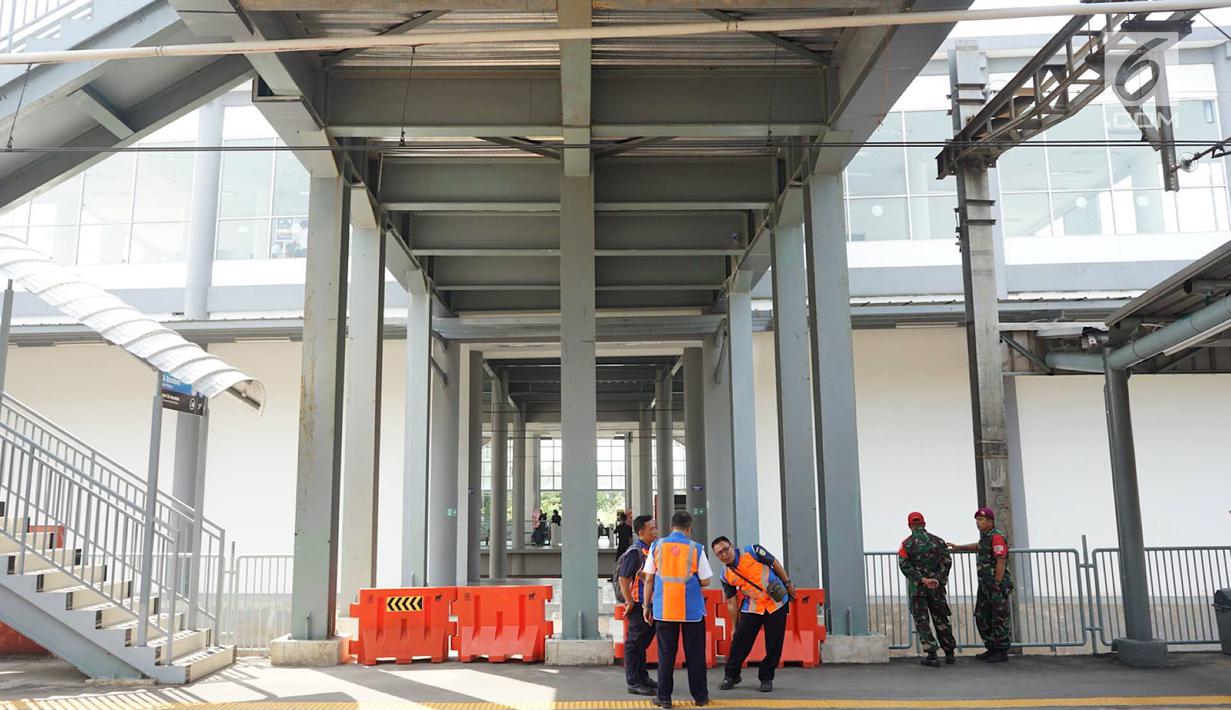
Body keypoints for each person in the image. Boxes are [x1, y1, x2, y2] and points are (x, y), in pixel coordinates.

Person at [642, 511, 712, 709]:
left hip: (664, 609)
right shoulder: (696, 548)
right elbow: (706, 580)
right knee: (695, 655)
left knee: (666, 655)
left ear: (671, 527)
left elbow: (648, 579)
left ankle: (664, 698)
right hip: (692, 611)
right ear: (689, 529)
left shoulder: (657, 546)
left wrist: (646, 606)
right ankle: (700, 697)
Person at [711, 536, 796, 693]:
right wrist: (734, 627)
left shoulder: (752, 551)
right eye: (719, 553)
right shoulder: (725, 575)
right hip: (753, 606)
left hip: (775, 603)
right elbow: (731, 602)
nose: (724, 554)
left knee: (773, 644)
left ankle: (766, 678)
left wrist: (788, 583)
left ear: (731, 546)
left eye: (725, 549)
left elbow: (774, 562)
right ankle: (731, 676)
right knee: (739, 642)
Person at [949, 507, 1014, 662]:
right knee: (982, 615)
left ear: (990, 521)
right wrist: (959, 547)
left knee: (999, 617)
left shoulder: (997, 537)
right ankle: (991, 647)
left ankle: (1001, 650)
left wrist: (997, 582)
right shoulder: (986, 538)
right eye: (977, 520)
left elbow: (1001, 560)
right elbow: (979, 547)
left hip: (996, 584)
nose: (978, 523)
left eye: (981, 520)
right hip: (985, 585)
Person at [897, 511, 956, 667]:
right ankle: (949, 653)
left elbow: (904, 566)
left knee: (922, 621)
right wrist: (937, 579)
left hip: (918, 590)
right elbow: (947, 561)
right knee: (942, 619)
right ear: (924, 524)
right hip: (936, 588)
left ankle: (932, 654)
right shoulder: (939, 541)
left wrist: (922, 580)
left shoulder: (906, 544)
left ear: (910, 525)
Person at [619, 514, 659, 696]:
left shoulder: (652, 550)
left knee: (642, 642)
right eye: (652, 528)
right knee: (634, 643)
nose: (656, 531)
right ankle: (633, 681)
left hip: (651, 604)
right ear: (641, 532)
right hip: (638, 605)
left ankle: (642, 676)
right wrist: (629, 602)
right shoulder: (635, 552)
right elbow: (623, 579)